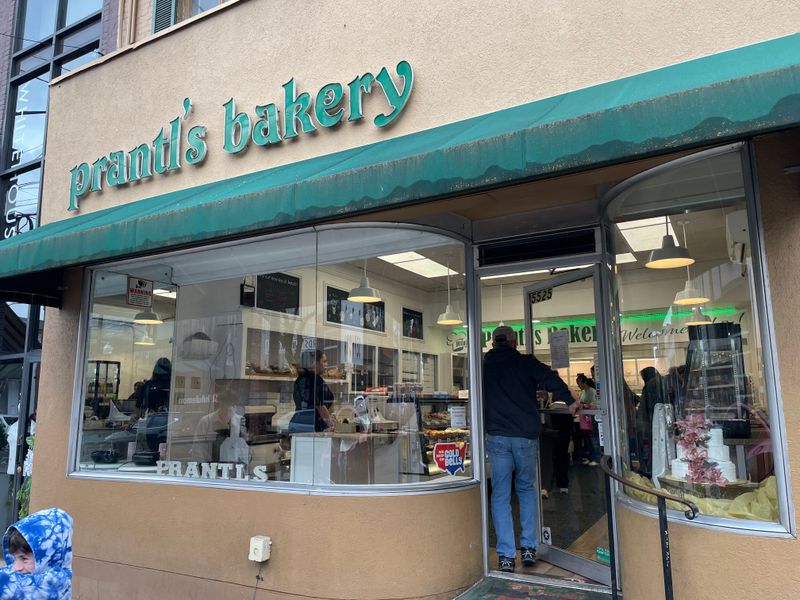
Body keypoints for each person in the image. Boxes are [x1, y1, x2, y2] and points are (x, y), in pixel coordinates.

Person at [483, 326, 578, 573]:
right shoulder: (525, 362)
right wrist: (570, 401)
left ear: (493, 344)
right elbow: (551, 379)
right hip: (525, 435)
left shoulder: (485, 364)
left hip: (497, 436)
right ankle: (528, 548)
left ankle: (505, 555)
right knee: (526, 489)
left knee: (501, 494)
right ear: (515, 342)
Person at [0, 507, 73, 599]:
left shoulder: (57, 581)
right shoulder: (27, 573)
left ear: (50, 556)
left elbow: (13, 584)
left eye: (24, 559)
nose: (15, 567)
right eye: (14, 558)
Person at [289, 350, 335, 432]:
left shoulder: (300, 379)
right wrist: (331, 423)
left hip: (297, 423)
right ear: (315, 363)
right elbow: (320, 406)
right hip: (312, 425)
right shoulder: (316, 380)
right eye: (324, 361)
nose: (326, 365)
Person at [576, 374, 600, 466]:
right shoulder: (582, 392)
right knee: (587, 439)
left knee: (593, 438)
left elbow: (594, 404)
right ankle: (591, 457)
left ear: (584, 382)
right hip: (584, 419)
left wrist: (585, 405)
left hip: (591, 418)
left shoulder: (592, 391)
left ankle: (596, 458)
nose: (578, 385)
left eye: (579, 383)